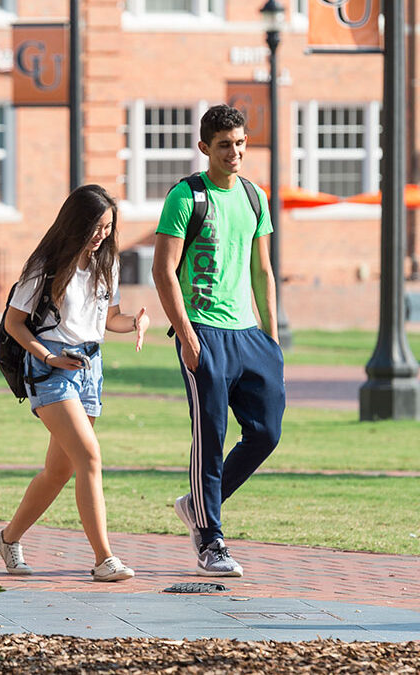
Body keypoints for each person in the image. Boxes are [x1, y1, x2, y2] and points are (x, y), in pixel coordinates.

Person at [152, 104, 286, 577]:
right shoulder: (186, 197)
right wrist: (187, 336)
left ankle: (198, 505)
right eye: (225, 144)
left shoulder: (255, 197)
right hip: (203, 332)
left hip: (249, 336)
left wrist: (271, 338)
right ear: (205, 147)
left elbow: (262, 270)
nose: (235, 152)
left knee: (267, 432)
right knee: (210, 438)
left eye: (241, 143)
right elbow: (163, 271)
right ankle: (211, 540)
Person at [0, 184, 149, 583]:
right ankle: (104, 559)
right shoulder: (45, 265)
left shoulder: (106, 262)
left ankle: (8, 539)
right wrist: (47, 357)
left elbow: (107, 318)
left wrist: (135, 321)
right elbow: (13, 323)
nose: (101, 236)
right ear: (76, 223)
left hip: (90, 370)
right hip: (50, 369)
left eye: (108, 228)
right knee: (90, 458)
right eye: (96, 227)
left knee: (58, 471)